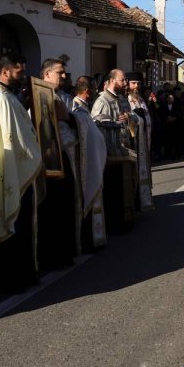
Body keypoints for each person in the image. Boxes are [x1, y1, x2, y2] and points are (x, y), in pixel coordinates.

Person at [0, 55, 43, 294]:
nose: (21, 76)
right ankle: (7, 280)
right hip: (10, 170)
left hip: (15, 169)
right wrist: (34, 156)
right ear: (4, 72)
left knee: (20, 226)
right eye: (18, 72)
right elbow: (14, 138)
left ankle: (20, 275)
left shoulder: (7, 96)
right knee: (11, 225)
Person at [36, 58, 81, 270]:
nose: (64, 76)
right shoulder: (38, 96)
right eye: (59, 73)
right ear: (46, 75)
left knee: (64, 206)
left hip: (62, 157)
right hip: (49, 163)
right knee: (53, 210)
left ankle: (64, 253)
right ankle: (53, 256)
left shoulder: (58, 97)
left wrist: (69, 118)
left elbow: (67, 121)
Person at [92, 70, 136, 233]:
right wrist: (114, 122)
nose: (125, 83)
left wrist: (129, 118)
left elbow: (133, 117)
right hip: (111, 155)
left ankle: (128, 216)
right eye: (122, 80)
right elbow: (96, 124)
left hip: (125, 151)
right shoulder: (102, 101)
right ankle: (115, 221)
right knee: (114, 188)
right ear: (111, 81)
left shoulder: (123, 99)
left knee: (127, 184)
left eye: (125, 80)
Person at [71, 76, 107, 251]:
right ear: (87, 91)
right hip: (86, 165)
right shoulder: (76, 109)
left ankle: (93, 237)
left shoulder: (84, 109)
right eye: (93, 89)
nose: (94, 92)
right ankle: (87, 240)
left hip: (93, 162)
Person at [127, 73, 153, 210]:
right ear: (127, 84)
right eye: (133, 83)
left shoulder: (141, 99)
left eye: (138, 83)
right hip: (134, 143)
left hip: (145, 141)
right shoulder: (126, 100)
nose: (136, 86)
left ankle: (144, 198)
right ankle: (135, 200)